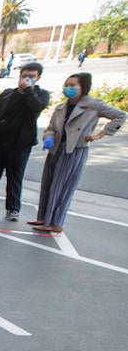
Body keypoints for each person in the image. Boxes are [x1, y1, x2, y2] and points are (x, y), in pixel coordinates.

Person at [30, 73, 126, 232]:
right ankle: (43, 218)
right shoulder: (61, 107)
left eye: (73, 85)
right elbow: (51, 128)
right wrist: (49, 138)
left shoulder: (93, 105)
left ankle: (55, 222)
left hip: (74, 150)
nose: (68, 88)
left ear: (84, 87)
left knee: (62, 186)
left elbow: (120, 116)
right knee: (48, 183)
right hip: (56, 149)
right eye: (66, 85)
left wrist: (100, 134)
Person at [0, 62, 49, 221]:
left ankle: (13, 208)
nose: (27, 79)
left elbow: (36, 107)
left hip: (20, 146)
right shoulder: (7, 94)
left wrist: (29, 90)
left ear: (38, 78)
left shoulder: (39, 95)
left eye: (31, 77)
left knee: (15, 177)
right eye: (24, 76)